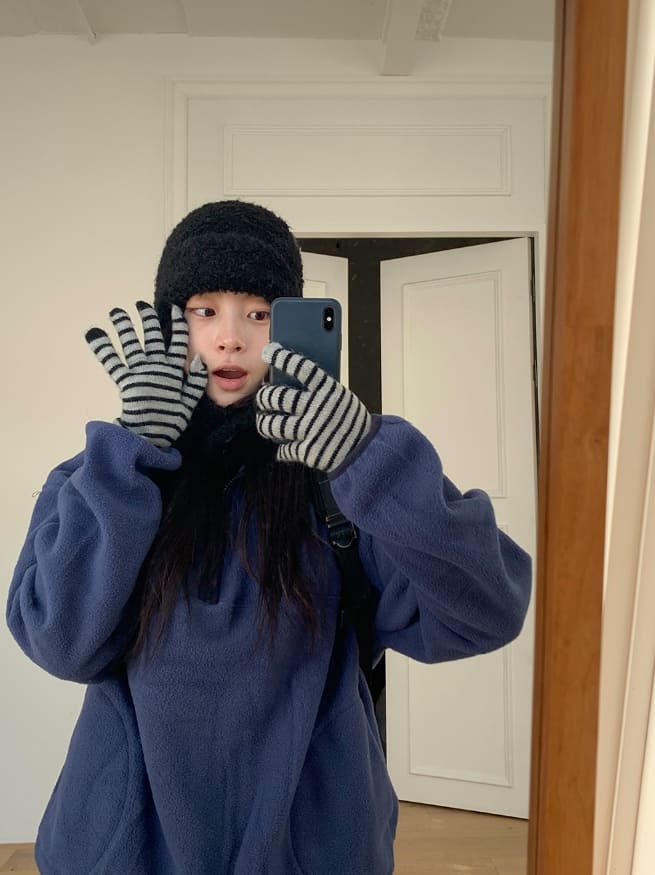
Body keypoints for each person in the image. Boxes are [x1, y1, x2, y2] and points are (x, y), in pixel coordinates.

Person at [6, 200, 532, 875]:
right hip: (126, 855)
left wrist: (370, 458)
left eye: (257, 313)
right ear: (169, 326)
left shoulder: (342, 482)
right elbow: (58, 640)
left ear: (289, 327)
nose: (230, 339)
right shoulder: (102, 476)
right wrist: (131, 452)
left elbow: (488, 611)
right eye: (204, 310)